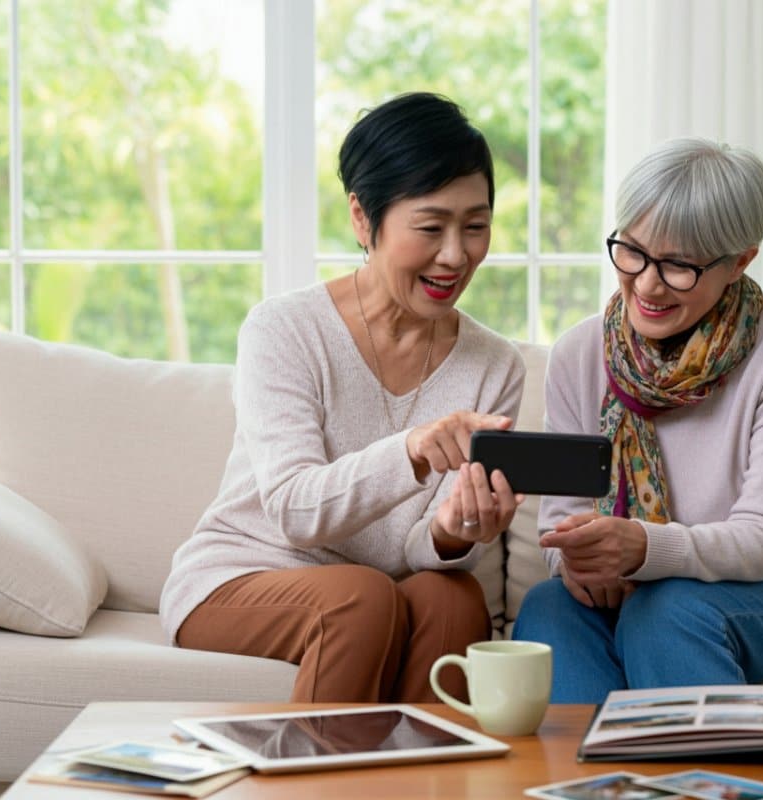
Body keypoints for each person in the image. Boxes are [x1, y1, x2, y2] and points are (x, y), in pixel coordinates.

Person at [159, 92, 527, 703]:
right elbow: (293, 512)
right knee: (361, 597)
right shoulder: (284, 330)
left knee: (451, 596)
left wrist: (452, 533)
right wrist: (409, 451)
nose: (456, 255)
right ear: (363, 218)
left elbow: (417, 551)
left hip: (382, 590)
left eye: (476, 226)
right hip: (244, 576)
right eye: (431, 227)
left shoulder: (494, 365)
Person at [511, 138, 763, 703]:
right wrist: (581, 561)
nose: (646, 283)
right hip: (650, 587)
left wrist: (641, 550)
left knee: (667, 609)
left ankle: (713, 787)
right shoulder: (579, 353)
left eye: (679, 266)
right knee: (549, 604)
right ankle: (593, 785)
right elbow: (559, 520)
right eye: (631, 251)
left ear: (741, 261)